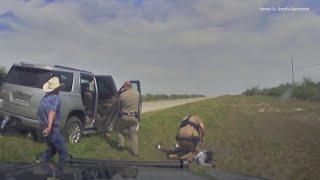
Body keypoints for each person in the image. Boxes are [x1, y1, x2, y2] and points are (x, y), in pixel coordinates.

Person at [36, 77, 68, 167]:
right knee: (63, 151)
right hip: (52, 128)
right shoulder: (55, 99)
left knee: (53, 148)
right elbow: (52, 112)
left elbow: (39, 113)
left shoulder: (44, 98)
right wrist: (49, 128)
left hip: (44, 128)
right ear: (57, 88)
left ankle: (41, 159)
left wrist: (44, 127)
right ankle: (62, 170)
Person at [115, 81, 140, 157]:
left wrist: (121, 90)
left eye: (124, 86)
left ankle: (121, 145)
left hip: (124, 118)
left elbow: (118, 106)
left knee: (119, 130)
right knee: (133, 135)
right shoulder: (137, 94)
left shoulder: (122, 95)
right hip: (134, 118)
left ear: (125, 86)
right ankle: (135, 153)